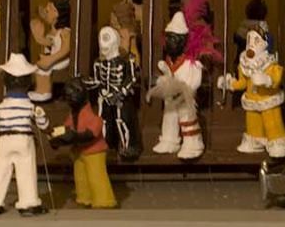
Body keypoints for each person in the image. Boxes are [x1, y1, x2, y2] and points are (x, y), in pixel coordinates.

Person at [0, 53, 49, 215]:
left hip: (4, 141)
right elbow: (43, 125)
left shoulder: (1, 107)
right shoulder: (29, 107)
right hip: (23, 139)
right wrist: (41, 116)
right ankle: (28, 202)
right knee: (26, 170)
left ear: (5, 81)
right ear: (29, 82)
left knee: (0, 170)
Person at [217, 23, 285, 157]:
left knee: (272, 123)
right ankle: (255, 141)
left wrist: (266, 80)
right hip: (251, 100)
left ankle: (277, 143)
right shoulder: (244, 65)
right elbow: (242, 83)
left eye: (256, 40)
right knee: (253, 124)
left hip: (268, 100)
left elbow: (276, 78)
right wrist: (229, 83)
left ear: (265, 44)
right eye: (249, 40)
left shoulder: (270, 64)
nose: (251, 44)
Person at [51, 78, 117, 209]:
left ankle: (104, 200)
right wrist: (57, 139)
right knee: (81, 177)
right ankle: (84, 198)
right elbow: (67, 128)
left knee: (96, 177)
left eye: (72, 95)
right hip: (79, 151)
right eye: (68, 96)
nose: (70, 98)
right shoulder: (73, 114)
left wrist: (73, 137)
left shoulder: (92, 113)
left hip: (94, 151)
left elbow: (91, 134)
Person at [150, 11, 204, 159]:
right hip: (171, 98)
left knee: (187, 119)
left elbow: (192, 83)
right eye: (168, 38)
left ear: (183, 42)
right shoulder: (169, 61)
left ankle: (193, 144)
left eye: (173, 39)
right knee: (169, 117)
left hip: (185, 99)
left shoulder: (191, 64)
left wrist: (178, 88)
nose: (169, 42)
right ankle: (169, 140)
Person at [87, 25, 141, 160]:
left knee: (122, 120)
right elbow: (97, 80)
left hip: (120, 98)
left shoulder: (127, 60)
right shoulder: (98, 63)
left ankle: (127, 146)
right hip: (104, 97)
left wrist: (120, 93)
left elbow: (132, 78)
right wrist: (89, 85)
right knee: (103, 121)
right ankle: (104, 145)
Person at [31, 0, 71, 103]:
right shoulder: (53, 32)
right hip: (54, 58)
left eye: (48, 10)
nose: (46, 12)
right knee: (39, 66)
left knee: (44, 68)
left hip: (62, 60)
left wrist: (51, 59)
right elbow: (49, 43)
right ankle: (40, 90)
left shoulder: (65, 32)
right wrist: (39, 38)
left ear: (57, 13)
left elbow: (65, 49)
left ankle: (45, 92)